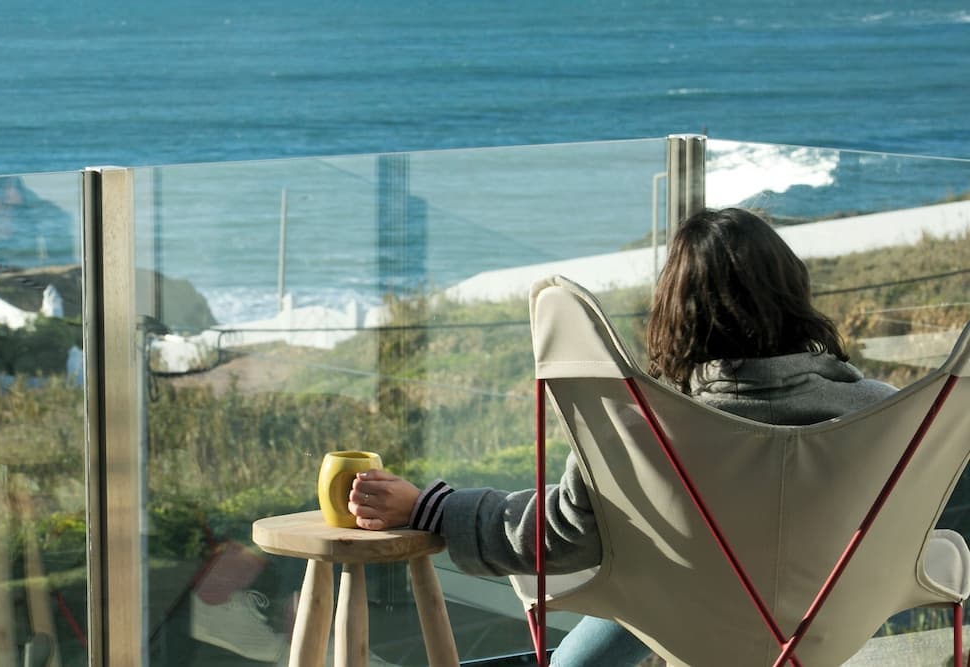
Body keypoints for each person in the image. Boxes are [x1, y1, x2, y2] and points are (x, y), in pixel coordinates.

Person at [346, 207, 897, 666]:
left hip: (690, 623)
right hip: (826, 628)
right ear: (793, 292)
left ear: (679, 315)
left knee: (642, 575)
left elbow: (558, 534)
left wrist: (432, 508)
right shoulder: (886, 414)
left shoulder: (650, 431)